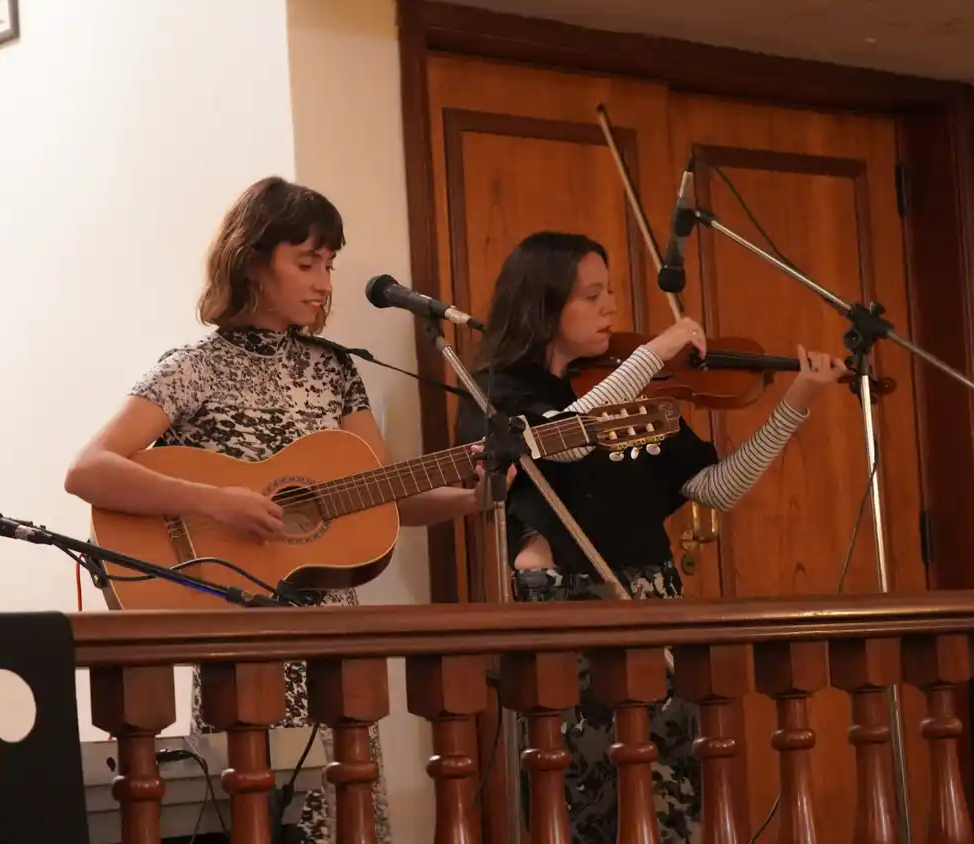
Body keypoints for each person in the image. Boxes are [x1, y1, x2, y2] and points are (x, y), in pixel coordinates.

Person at [64, 176, 496, 843]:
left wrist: (467, 496)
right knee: (254, 819)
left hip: (331, 639)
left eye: (329, 263)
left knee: (344, 816)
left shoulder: (335, 372)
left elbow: (381, 495)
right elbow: (88, 469)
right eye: (306, 262)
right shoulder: (192, 369)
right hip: (241, 637)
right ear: (252, 262)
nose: (324, 281)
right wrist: (218, 502)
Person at [455, 231, 847, 843]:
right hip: (565, 603)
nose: (611, 306)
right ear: (544, 303)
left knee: (670, 791)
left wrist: (794, 403)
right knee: (585, 794)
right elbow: (555, 437)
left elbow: (716, 488)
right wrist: (653, 355)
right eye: (592, 294)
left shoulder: (642, 390)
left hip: (653, 596)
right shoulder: (503, 391)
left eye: (609, 291)